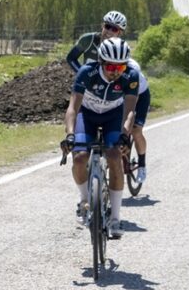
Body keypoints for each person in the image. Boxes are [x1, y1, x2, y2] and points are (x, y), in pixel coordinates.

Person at [60, 37, 141, 239]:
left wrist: (124, 135)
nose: (116, 72)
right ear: (101, 62)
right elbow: (72, 108)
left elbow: (130, 111)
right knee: (79, 157)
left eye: (120, 67)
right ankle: (84, 200)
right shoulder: (87, 73)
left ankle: (115, 218)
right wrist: (70, 134)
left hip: (113, 117)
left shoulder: (130, 75)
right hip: (86, 115)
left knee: (114, 157)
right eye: (111, 67)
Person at [66, 10, 150, 183]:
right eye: (108, 26)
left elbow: (130, 96)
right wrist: (84, 77)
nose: (110, 31)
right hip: (97, 93)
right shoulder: (88, 40)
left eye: (116, 29)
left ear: (121, 33)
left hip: (137, 94)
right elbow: (71, 58)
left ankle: (141, 164)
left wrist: (125, 132)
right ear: (102, 25)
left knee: (135, 130)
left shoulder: (122, 55)